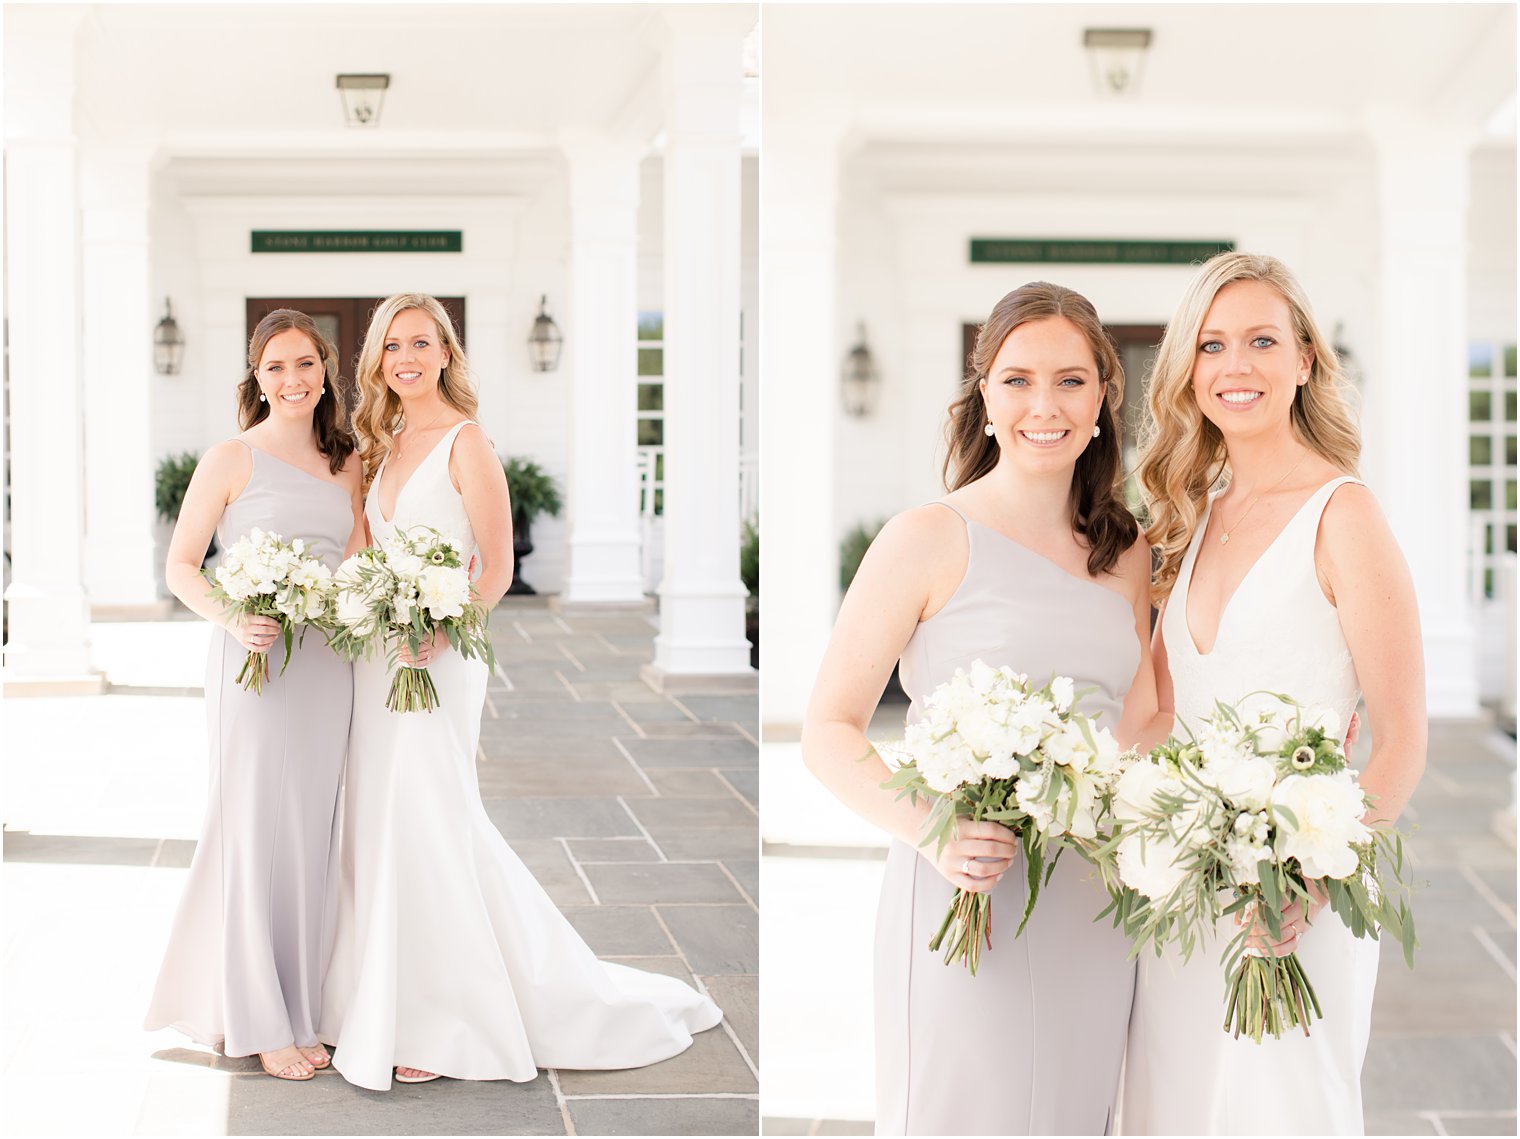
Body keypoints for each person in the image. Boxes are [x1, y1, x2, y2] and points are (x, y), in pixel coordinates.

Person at [318, 293, 721, 1090]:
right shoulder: (378, 443)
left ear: (446, 353)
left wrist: (439, 626)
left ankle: (449, 1017)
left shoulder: (469, 443)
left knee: (433, 817)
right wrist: (339, 606)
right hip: (377, 653)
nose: (407, 358)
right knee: (381, 820)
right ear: (377, 359)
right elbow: (361, 552)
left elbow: (496, 568)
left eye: (422, 343)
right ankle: (380, 999)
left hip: (441, 653)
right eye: (393, 345)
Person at [802, 282, 1170, 1135]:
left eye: (1072, 380)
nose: (1045, 404)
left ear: (1105, 397)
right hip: (969, 887)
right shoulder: (927, 536)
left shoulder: (1128, 552)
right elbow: (827, 732)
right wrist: (934, 828)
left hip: (1093, 894)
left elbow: (1144, 721)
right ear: (985, 397)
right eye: (1018, 379)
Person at [1121, 252, 1427, 1135]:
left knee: (1281, 1108)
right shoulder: (1188, 518)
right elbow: (1166, 717)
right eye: (1212, 345)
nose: (1236, 365)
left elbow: (1402, 738)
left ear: (1305, 360)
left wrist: (1313, 880)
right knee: (1173, 1105)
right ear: (1189, 372)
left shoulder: (1345, 515)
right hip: (1183, 890)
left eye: (1262, 340)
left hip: (1294, 904)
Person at [145, 310, 364, 1081]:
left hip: (327, 669)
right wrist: (235, 616)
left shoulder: (350, 465)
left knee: (309, 836)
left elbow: (359, 566)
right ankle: (257, 1015)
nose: (292, 379)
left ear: (326, 372)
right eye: (276, 366)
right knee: (250, 828)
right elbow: (181, 566)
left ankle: (298, 1005)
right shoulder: (230, 457)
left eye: (305, 363)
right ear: (256, 376)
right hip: (255, 665)